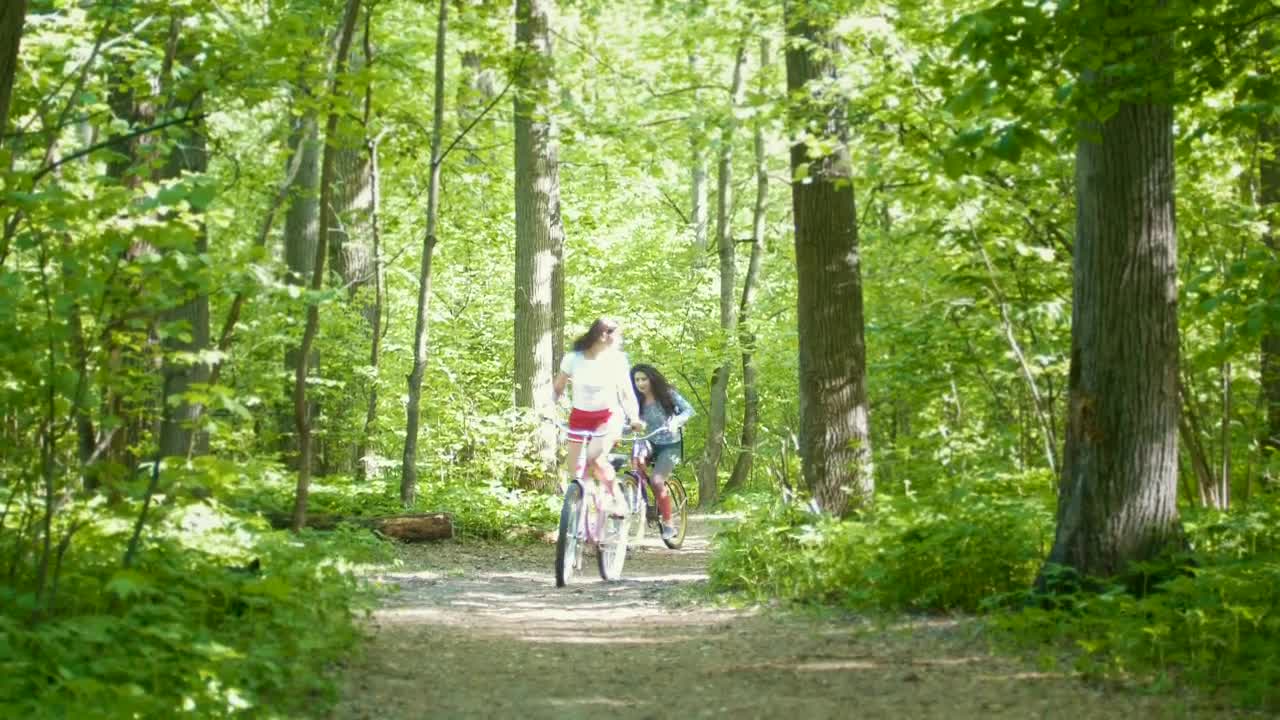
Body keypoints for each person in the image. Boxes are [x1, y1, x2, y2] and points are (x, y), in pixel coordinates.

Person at [552, 318, 645, 514]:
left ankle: (617, 500)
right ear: (603, 335)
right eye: (617, 335)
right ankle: (587, 515)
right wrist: (548, 407)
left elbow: (627, 393)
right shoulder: (573, 359)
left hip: (609, 416)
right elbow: (558, 388)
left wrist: (634, 417)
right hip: (579, 417)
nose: (619, 340)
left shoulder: (617, 360)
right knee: (576, 473)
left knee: (594, 457)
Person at [630, 363, 694, 540]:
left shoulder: (667, 395)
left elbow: (689, 410)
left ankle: (668, 524)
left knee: (658, 481)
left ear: (652, 379)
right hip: (649, 441)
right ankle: (644, 501)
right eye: (637, 380)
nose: (640, 383)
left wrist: (676, 422)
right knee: (636, 461)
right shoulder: (635, 401)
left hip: (670, 444)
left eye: (644, 379)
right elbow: (628, 423)